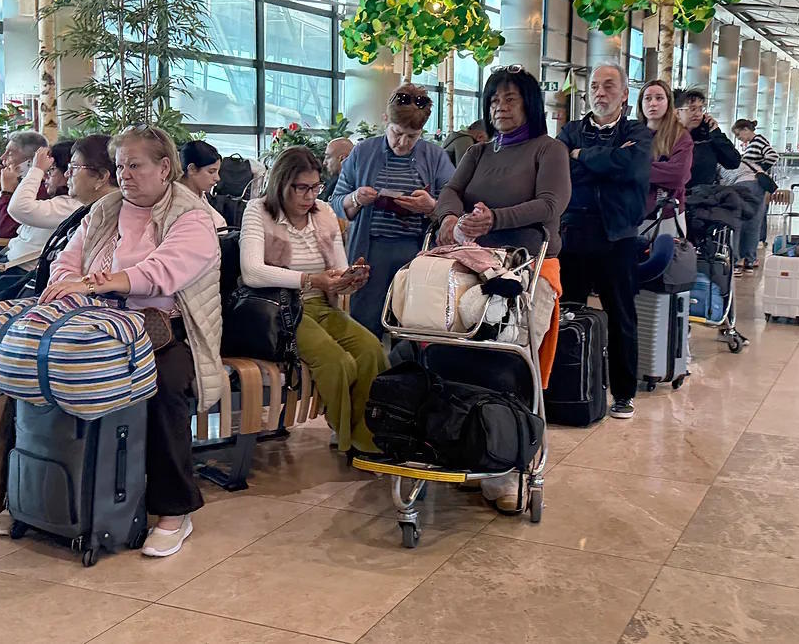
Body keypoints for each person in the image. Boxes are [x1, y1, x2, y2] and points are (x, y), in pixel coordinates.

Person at [43, 125, 223, 559]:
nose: (125, 174)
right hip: (97, 324)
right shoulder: (106, 209)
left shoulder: (192, 217)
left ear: (164, 168)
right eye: (120, 165)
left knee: (160, 386)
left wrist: (93, 284)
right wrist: (72, 282)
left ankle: (175, 511)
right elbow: (64, 261)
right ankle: (35, 494)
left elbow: (162, 273)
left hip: (165, 328)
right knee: (37, 371)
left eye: (135, 165)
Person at [434, 65, 570, 514]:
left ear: (529, 104)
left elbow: (551, 204)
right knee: (460, 355)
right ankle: (472, 445)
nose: (500, 106)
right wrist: (452, 220)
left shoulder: (548, 150)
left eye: (510, 98)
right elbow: (449, 192)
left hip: (528, 269)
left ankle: (509, 463)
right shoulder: (478, 152)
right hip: (474, 265)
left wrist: (495, 219)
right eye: (494, 99)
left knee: (510, 360)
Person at [240, 146, 387, 454]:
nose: (309, 196)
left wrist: (350, 279)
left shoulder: (323, 213)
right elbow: (252, 273)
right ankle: (350, 440)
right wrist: (309, 280)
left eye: (315, 187)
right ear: (282, 184)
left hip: (320, 303)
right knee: (337, 360)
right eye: (302, 188)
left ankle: (366, 434)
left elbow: (338, 270)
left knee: (371, 349)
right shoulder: (258, 210)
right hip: (280, 309)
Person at [557, 64, 652, 419]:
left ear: (625, 94)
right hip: (575, 232)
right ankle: (565, 387)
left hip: (619, 236)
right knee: (566, 313)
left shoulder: (638, 133)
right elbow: (562, 172)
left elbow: (633, 170)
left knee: (621, 317)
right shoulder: (570, 130)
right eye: (594, 86)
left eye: (609, 86)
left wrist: (582, 156)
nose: (600, 92)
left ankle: (624, 393)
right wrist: (609, 161)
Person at [331, 84, 456, 339]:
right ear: (385, 120)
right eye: (397, 133)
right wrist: (356, 198)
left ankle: (407, 375)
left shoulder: (435, 156)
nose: (403, 143)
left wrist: (431, 206)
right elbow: (336, 201)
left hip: (417, 251)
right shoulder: (363, 152)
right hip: (370, 249)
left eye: (412, 137)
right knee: (365, 323)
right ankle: (369, 375)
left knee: (415, 323)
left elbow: (454, 200)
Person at [0, 141, 81, 298]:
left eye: (51, 170)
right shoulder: (55, 198)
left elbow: (12, 219)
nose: (3, 158)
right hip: (6, 262)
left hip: (17, 274)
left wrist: (35, 170)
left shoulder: (71, 205)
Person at [637, 80, 693, 237]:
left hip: (667, 217)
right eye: (647, 98)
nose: (653, 103)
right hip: (633, 216)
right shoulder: (632, 134)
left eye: (659, 98)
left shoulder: (680, 136)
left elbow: (678, 175)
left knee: (667, 260)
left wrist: (635, 168)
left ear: (669, 102)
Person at [732, 119, 779, 273]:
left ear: (746, 129)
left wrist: (760, 170)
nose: (741, 140)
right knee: (753, 222)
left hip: (750, 183)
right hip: (755, 186)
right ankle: (749, 259)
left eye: (740, 136)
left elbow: (773, 156)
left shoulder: (758, 141)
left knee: (741, 221)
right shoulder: (755, 142)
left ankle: (737, 259)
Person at [675, 88, 741, 191]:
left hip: (704, 199)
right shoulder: (668, 138)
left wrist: (715, 132)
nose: (697, 114)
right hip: (676, 198)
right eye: (692, 109)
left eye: (700, 109)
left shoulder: (707, 138)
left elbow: (733, 161)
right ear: (677, 112)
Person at [0, 131, 49, 238]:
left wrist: (6, 192)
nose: (2, 157)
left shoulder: (39, 190)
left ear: (30, 161)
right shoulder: (12, 183)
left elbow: (9, 231)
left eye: (10, 153)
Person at [179, 140, 226, 228]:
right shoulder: (179, 205)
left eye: (217, 172)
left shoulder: (199, 195)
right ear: (192, 169)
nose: (217, 178)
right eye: (211, 172)